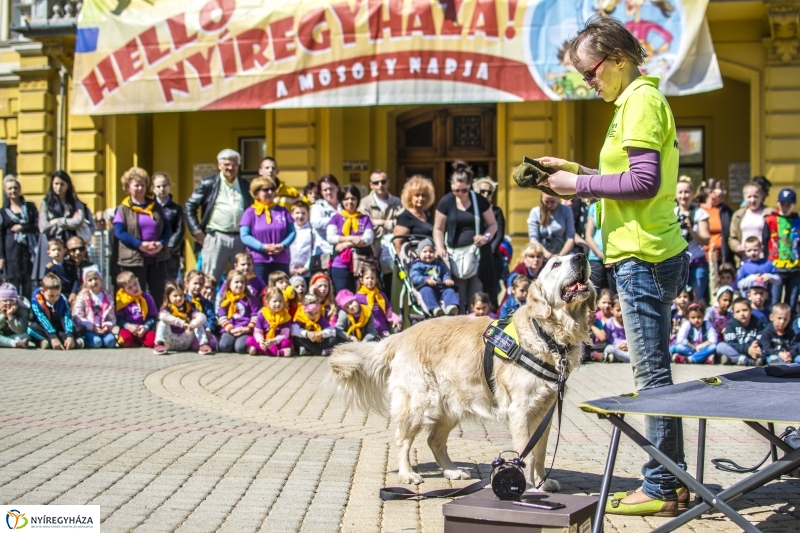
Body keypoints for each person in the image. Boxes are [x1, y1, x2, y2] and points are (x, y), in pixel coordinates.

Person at [538, 17, 690, 514]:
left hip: (643, 258)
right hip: (647, 253)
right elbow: (627, 175)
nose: (589, 82)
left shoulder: (641, 103)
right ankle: (675, 480)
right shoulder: (633, 101)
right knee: (655, 373)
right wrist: (574, 172)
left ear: (618, 59)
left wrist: (578, 187)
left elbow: (643, 183)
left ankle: (663, 489)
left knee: (651, 378)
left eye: (590, 72)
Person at [433, 161, 497, 313]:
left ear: (470, 187)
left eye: (464, 190)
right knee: (458, 296)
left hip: (477, 254)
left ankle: (477, 329)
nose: (460, 193)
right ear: (451, 186)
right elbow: (438, 228)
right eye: (456, 190)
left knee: (477, 296)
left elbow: (493, 224)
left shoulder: (479, 201)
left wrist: (486, 237)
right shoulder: (446, 202)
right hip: (455, 255)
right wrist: (440, 247)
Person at [184, 149, 253, 283]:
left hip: (240, 238)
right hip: (216, 237)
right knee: (209, 280)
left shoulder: (245, 185)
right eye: (227, 164)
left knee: (241, 280)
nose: (231, 168)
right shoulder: (209, 183)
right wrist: (197, 232)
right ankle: (208, 304)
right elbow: (189, 206)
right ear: (219, 165)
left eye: (234, 164)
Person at [113, 167, 172, 306]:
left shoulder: (155, 206)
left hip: (157, 258)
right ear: (128, 187)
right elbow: (119, 232)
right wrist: (140, 245)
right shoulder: (123, 208)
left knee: (160, 294)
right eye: (136, 185)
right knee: (135, 294)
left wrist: (161, 243)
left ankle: (158, 322)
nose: (140, 188)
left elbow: (167, 228)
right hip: (133, 259)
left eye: (143, 185)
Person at [36, 171, 93, 280]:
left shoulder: (75, 202)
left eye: (62, 184)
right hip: (52, 245)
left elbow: (78, 221)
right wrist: (68, 222)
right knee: (51, 277)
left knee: (72, 275)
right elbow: (43, 227)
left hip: (71, 244)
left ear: (68, 186)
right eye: (56, 184)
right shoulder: (46, 203)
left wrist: (57, 221)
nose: (58, 187)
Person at [239, 176, 295, 282]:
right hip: (258, 260)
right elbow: (244, 235)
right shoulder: (250, 212)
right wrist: (262, 247)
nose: (270, 192)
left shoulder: (283, 211)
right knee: (260, 292)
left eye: (272, 189)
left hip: (281, 258)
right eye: (266, 189)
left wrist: (283, 245)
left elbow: (292, 232)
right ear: (256, 193)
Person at [327, 185, 374, 294]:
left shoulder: (364, 218)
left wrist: (345, 244)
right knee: (343, 297)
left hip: (362, 263)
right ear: (341, 201)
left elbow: (368, 239)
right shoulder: (336, 218)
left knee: (362, 296)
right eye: (346, 199)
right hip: (340, 264)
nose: (350, 202)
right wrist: (353, 239)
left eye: (353, 198)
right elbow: (331, 238)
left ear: (357, 200)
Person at [359, 170, 403, 288]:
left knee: (391, 283)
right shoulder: (365, 203)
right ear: (371, 185)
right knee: (373, 282)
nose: (380, 185)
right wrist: (388, 223)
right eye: (376, 182)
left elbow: (401, 223)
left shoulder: (397, 202)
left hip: (391, 248)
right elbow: (364, 224)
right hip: (372, 249)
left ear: (388, 183)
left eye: (383, 182)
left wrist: (379, 222)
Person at [762, 187, 800, 313]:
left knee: (792, 302)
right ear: (778, 203)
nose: (784, 207)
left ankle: (791, 330)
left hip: (795, 267)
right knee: (774, 301)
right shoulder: (770, 220)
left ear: (794, 204)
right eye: (782, 203)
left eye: (788, 204)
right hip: (775, 267)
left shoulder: (798, 221)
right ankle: (772, 329)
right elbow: (764, 241)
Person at [0, 176, 39, 298]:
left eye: (15, 188)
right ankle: (15, 314)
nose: (13, 191)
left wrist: (23, 227)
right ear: (6, 191)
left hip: (29, 251)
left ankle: (29, 313)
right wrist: (1, 257)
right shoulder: (3, 211)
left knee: (29, 285)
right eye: (10, 188)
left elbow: (37, 225)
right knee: (13, 285)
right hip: (12, 253)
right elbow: (0, 235)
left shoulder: (30, 207)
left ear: (20, 189)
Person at [675, 176, 710, 302]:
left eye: (686, 192)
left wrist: (691, 230)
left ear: (692, 193)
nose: (683, 196)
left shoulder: (700, 213)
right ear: (676, 194)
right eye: (680, 192)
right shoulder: (672, 212)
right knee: (678, 299)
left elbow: (705, 239)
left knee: (696, 299)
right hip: (677, 262)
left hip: (696, 262)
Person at [154, 280, 212, 355]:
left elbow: (202, 317)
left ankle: (203, 345)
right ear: (168, 297)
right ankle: (159, 344)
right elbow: (162, 316)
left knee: (198, 322)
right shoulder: (166, 308)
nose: (178, 298)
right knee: (162, 322)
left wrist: (193, 325)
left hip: (184, 341)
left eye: (181, 295)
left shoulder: (187, 308)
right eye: (175, 296)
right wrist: (182, 323)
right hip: (169, 342)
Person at [473, 177, 507, 306]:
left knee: (492, 293)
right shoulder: (473, 211)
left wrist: (488, 251)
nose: (486, 194)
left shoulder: (497, 211)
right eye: (482, 191)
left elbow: (499, 235)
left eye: (489, 192)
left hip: (493, 258)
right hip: (473, 257)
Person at [28, 273, 83, 350]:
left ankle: (64, 341)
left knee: (81, 328)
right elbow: (42, 320)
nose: (54, 298)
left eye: (57, 295)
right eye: (51, 295)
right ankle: (51, 341)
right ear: (42, 291)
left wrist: (69, 335)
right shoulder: (36, 301)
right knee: (30, 329)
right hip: (43, 328)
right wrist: (53, 337)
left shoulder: (62, 299)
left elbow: (66, 317)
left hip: (59, 328)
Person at [409, 237, 459, 317]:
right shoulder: (417, 264)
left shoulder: (437, 264)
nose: (428, 254)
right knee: (426, 291)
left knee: (450, 290)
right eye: (424, 251)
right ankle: (435, 308)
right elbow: (415, 278)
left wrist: (447, 279)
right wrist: (426, 280)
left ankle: (451, 306)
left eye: (431, 251)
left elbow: (444, 273)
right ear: (419, 253)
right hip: (427, 287)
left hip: (440, 287)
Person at [72, 266, 118, 349]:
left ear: (101, 279)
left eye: (96, 278)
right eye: (90, 280)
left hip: (103, 328)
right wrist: (91, 326)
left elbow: (112, 317)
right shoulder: (82, 297)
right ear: (85, 283)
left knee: (110, 342)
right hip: (89, 329)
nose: (94, 282)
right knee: (97, 342)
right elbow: (77, 316)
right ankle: (83, 341)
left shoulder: (108, 297)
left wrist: (107, 326)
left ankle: (103, 340)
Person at [152, 172, 186, 281]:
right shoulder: (148, 208)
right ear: (153, 188)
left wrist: (169, 247)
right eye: (158, 186)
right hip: (152, 252)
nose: (162, 189)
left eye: (165, 185)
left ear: (169, 187)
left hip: (171, 254)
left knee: (169, 283)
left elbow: (180, 230)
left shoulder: (176, 208)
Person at [217, 269, 259, 354]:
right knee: (223, 346)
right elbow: (222, 317)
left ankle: (250, 344)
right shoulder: (226, 300)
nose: (239, 285)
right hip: (230, 329)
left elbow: (255, 316)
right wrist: (231, 330)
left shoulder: (250, 299)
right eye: (236, 282)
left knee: (240, 348)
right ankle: (232, 343)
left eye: (242, 282)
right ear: (229, 284)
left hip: (245, 329)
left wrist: (248, 328)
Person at [729, 181, 773, 261]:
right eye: (749, 197)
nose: (752, 200)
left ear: (761, 196)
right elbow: (732, 237)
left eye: (756, 196)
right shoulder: (738, 215)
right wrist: (737, 247)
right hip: (744, 260)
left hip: (764, 259)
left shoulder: (769, 213)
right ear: (744, 197)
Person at [115, 270, 158, 348]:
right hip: (129, 329)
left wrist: (146, 327)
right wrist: (128, 326)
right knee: (123, 339)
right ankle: (134, 343)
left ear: (137, 280)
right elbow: (118, 319)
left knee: (153, 341)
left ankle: (142, 341)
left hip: (144, 329)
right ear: (124, 290)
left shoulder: (147, 298)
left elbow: (154, 317)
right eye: (130, 287)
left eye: (135, 284)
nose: (134, 288)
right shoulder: (122, 301)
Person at [696, 178, 734, 266]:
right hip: (699, 259)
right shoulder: (696, 210)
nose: (724, 193)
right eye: (721, 190)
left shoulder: (726, 211)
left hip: (721, 260)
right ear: (710, 192)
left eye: (724, 190)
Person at [717, 297, 765, 366]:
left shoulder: (758, 323)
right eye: (738, 311)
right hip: (739, 351)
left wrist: (756, 345)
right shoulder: (731, 324)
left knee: (765, 349)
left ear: (751, 310)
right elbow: (732, 343)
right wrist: (747, 350)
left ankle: (733, 359)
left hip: (754, 351)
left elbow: (762, 337)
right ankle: (746, 361)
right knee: (720, 346)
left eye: (745, 310)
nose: (742, 314)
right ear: (733, 314)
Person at [247, 287, 293, 357]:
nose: (278, 304)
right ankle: (279, 353)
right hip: (265, 341)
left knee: (287, 343)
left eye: (280, 301)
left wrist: (273, 341)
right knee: (249, 340)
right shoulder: (262, 314)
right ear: (267, 303)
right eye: (274, 301)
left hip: (277, 341)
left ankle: (260, 351)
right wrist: (260, 341)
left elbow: (284, 335)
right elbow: (258, 332)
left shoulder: (285, 316)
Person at [356, 265, 401, 337]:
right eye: (367, 278)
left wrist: (396, 319)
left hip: (383, 330)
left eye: (372, 278)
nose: (370, 280)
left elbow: (388, 311)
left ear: (376, 280)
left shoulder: (381, 295)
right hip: (367, 333)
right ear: (361, 280)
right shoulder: (358, 297)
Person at [527, 193, 575, 258]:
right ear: (542, 199)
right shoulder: (535, 212)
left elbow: (570, 238)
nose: (549, 205)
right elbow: (533, 239)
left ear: (558, 198)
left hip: (561, 253)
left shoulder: (566, 211)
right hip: (541, 254)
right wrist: (548, 255)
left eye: (552, 202)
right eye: (546, 202)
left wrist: (560, 256)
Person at [737, 236, 780, 305]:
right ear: (745, 251)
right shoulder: (744, 266)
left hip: (766, 301)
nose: (752, 253)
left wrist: (769, 276)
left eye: (755, 250)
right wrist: (752, 278)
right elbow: (739, 284)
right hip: (749, 302)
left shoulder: (767, 264)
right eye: (749, 250)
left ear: (761, 248)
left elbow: (778, 280)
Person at [585, 199, 615, 292]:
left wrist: (612, 257)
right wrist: (601, 255)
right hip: (595, 256)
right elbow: (588, 237)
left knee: (614, 295)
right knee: (594, 292)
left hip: (614, 258)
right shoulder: (594, 207)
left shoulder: (617, 205)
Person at [185, 270, 218, 351]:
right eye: (195, 283)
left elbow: (211, 318)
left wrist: (208, 329)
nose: (198, 286)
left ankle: (202, 344)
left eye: (200, 284)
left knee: (213, 342)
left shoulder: (206, 303)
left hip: (202, 331)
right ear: (187, 283)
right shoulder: (183, 300)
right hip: (186, 331)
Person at [309, 174, 341, 258]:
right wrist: (338, 219)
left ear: (337, 188)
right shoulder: (317, 206)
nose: (328, 192)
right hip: (323, 252)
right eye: (325, 190)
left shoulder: (344, 205)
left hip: (343, 252)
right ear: (321, 192)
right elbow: (316, 223)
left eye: (331, 188)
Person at [0, 283, 30, 348]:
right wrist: (4, 316)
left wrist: (10, 316)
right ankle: (15, 343)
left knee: (26, 335)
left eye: (11, 300)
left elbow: (20, 330)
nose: (8, 303)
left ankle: (9, 342)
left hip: (15, 334)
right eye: (5, 301)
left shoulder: (22, 308)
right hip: (1, 335)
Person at [289, 201, 313, 278]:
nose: (300, 216)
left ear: (308, 214)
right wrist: (288, 268)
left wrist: (307, 267)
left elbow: (315, 250)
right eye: (297, 213)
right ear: (292, 214)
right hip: (290, 270)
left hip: (307, 271)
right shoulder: (288, 230)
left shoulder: (312, 230)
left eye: (303, 213)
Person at [603, 296, 629, 363]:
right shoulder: (609, 323)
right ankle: (623, 358)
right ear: (612, 310)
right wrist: (617, 347)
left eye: (623, 310)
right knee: (609, 348)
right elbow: (607, 340)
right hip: (615, 348)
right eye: (618, 310)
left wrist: (627, 345)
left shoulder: (628, 323)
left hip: (627, 348)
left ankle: (618, 358)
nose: (621, 313)